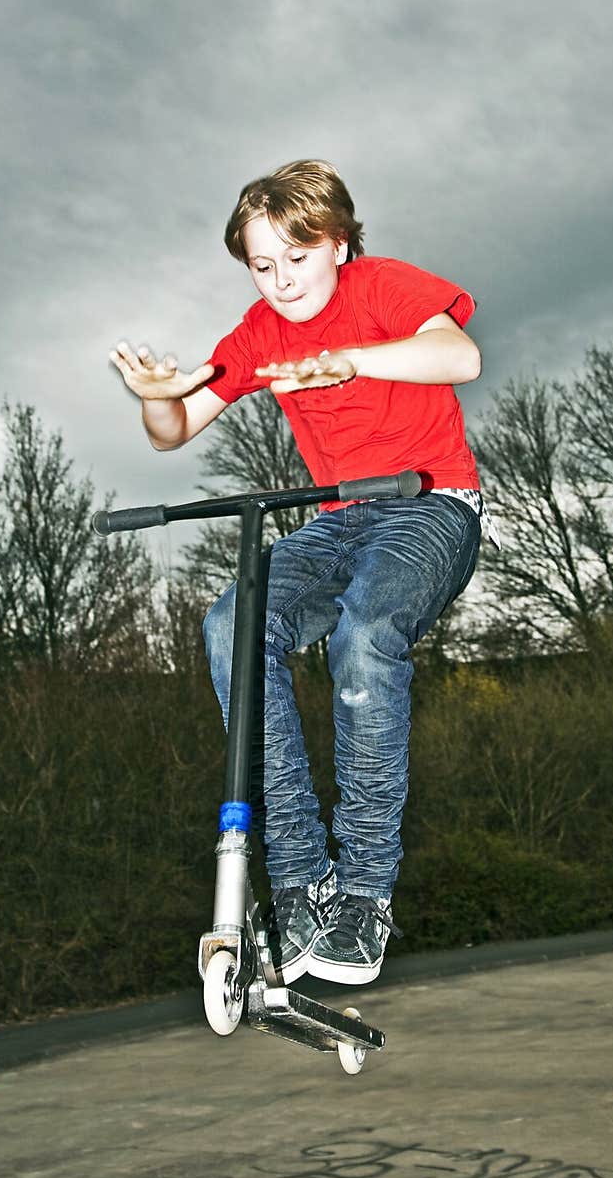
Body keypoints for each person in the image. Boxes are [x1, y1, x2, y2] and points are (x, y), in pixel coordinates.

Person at [109, 159, 497, 987]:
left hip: (432, 507)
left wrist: (354, 361)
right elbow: (174, 431)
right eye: (262, 266)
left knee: (363, 636)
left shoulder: (383, 286)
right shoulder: (259, 333)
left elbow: (457, 355)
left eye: (297, 257)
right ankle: (300, 877)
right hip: (336, 523)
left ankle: (364, 892)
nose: (283, 282)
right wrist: (154, 395)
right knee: (232, 626)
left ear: (338, 243)